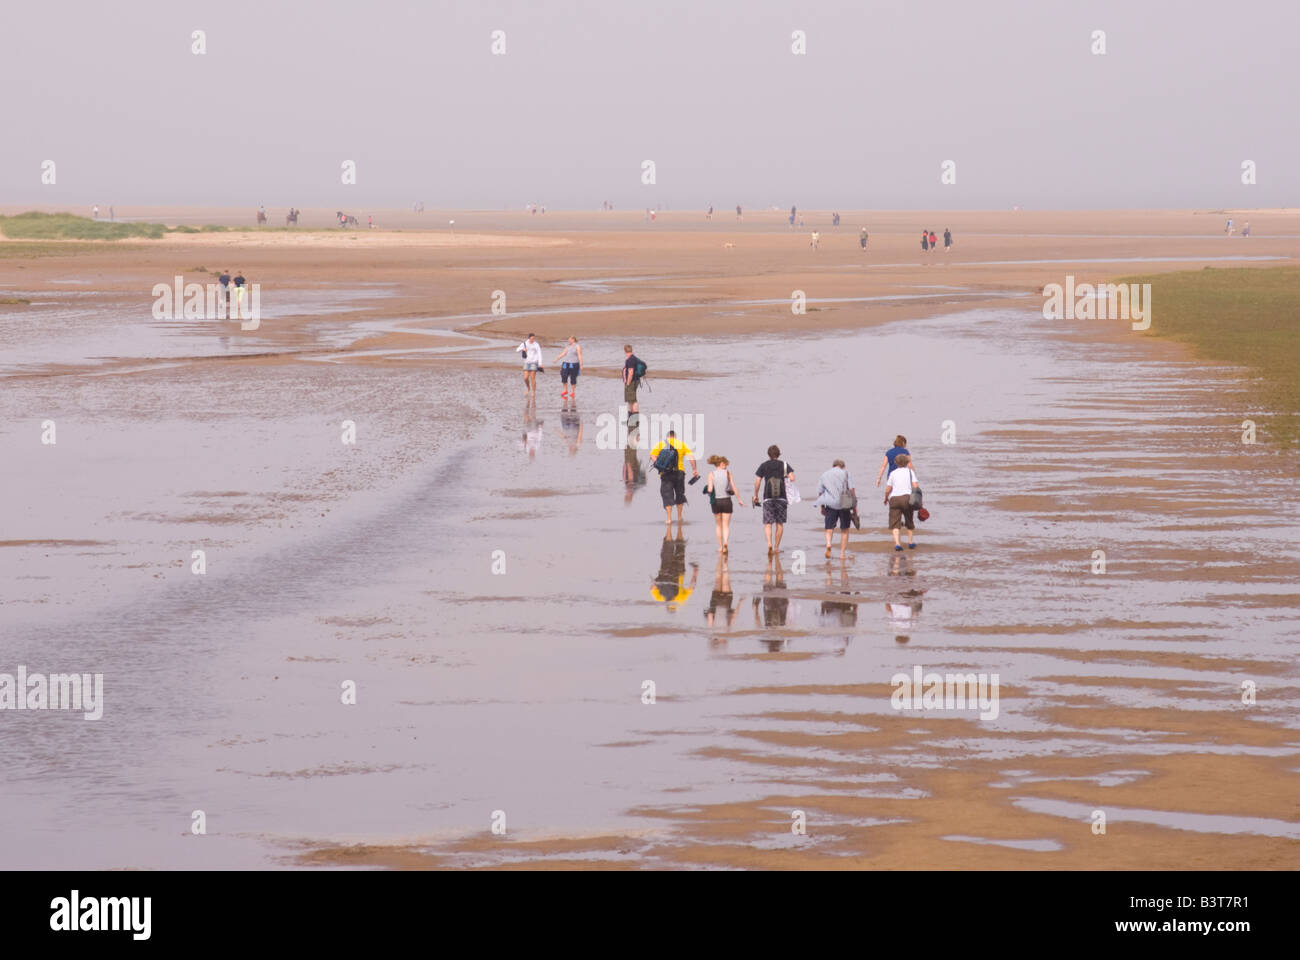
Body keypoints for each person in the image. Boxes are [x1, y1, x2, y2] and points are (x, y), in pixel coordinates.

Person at [753, 445, 795, 557]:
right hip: (781, 498)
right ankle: (776, 547)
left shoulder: (764, 465)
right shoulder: (784, 465)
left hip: (768, 498)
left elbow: (757, 481)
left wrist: (755, 495)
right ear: (779, 454)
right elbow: (792, 478)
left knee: (768, 523)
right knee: (779, 523)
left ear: (768, 455)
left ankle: (769, 544)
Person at [650, 429, 699, 525]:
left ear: (667, 437)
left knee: (667, 494)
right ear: (675, 437)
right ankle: (680, 517)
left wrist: (660, 465)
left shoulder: (661, 444)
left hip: (665, 473)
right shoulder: (681, 444)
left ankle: (669, 519)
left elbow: (652, 455)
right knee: (680, 494)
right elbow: (691, 457)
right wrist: (694, 470)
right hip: (679, 473)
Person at [816, 459, 857, 560]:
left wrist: (822, 506)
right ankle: (842, 554)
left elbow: (820, 492)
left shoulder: (825, 475)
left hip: (830, 503)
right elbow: (852, 490)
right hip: (844, 503)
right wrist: (855, 506)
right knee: (845, 529)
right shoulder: (846, 474)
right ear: (843, 466)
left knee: (829, 528)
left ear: (833, 466)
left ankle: (829, 544)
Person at [651, 525, 698, 612]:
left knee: (680, 546)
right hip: (665, 571)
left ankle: (679, 528)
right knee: (668, 547)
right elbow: (652, 587)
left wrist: (695, 572)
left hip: (679, 571)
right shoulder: (660, 598)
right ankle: (672, 527)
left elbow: (692, 587)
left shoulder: (681, 600)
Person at [704, 455, 746, 554]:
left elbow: (710, 490)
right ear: (721, 464)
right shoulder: (728, 473)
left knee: (718, 526)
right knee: (726, 526)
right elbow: (734, 487)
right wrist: (739, 500)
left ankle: (720, 547)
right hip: (727, 501)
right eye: (726, 465)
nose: (726, 467)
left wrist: (707, 490)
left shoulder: (711, 474)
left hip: (716, 502)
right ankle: (726, 542)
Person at [884, 453, 920, 551]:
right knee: (909, 519)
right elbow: (915, 486)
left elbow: (888, 489)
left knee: (895, 522)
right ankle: (911, 542)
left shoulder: (893, 473)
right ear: (907, 462)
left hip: (894, 499)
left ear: (896, 463)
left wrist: (886, 498)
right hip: (907, 498)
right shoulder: (910, 472)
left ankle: (897, 544)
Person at [622, 344, 643, 417]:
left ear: (625, 351)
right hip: (635, 381)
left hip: (631, 382)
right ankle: (631, 416)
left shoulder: (630, 360)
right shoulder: (634, 358)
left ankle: (634, 417)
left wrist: (628, 383)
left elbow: (630, 372)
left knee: (633, 400)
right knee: (630, 399)